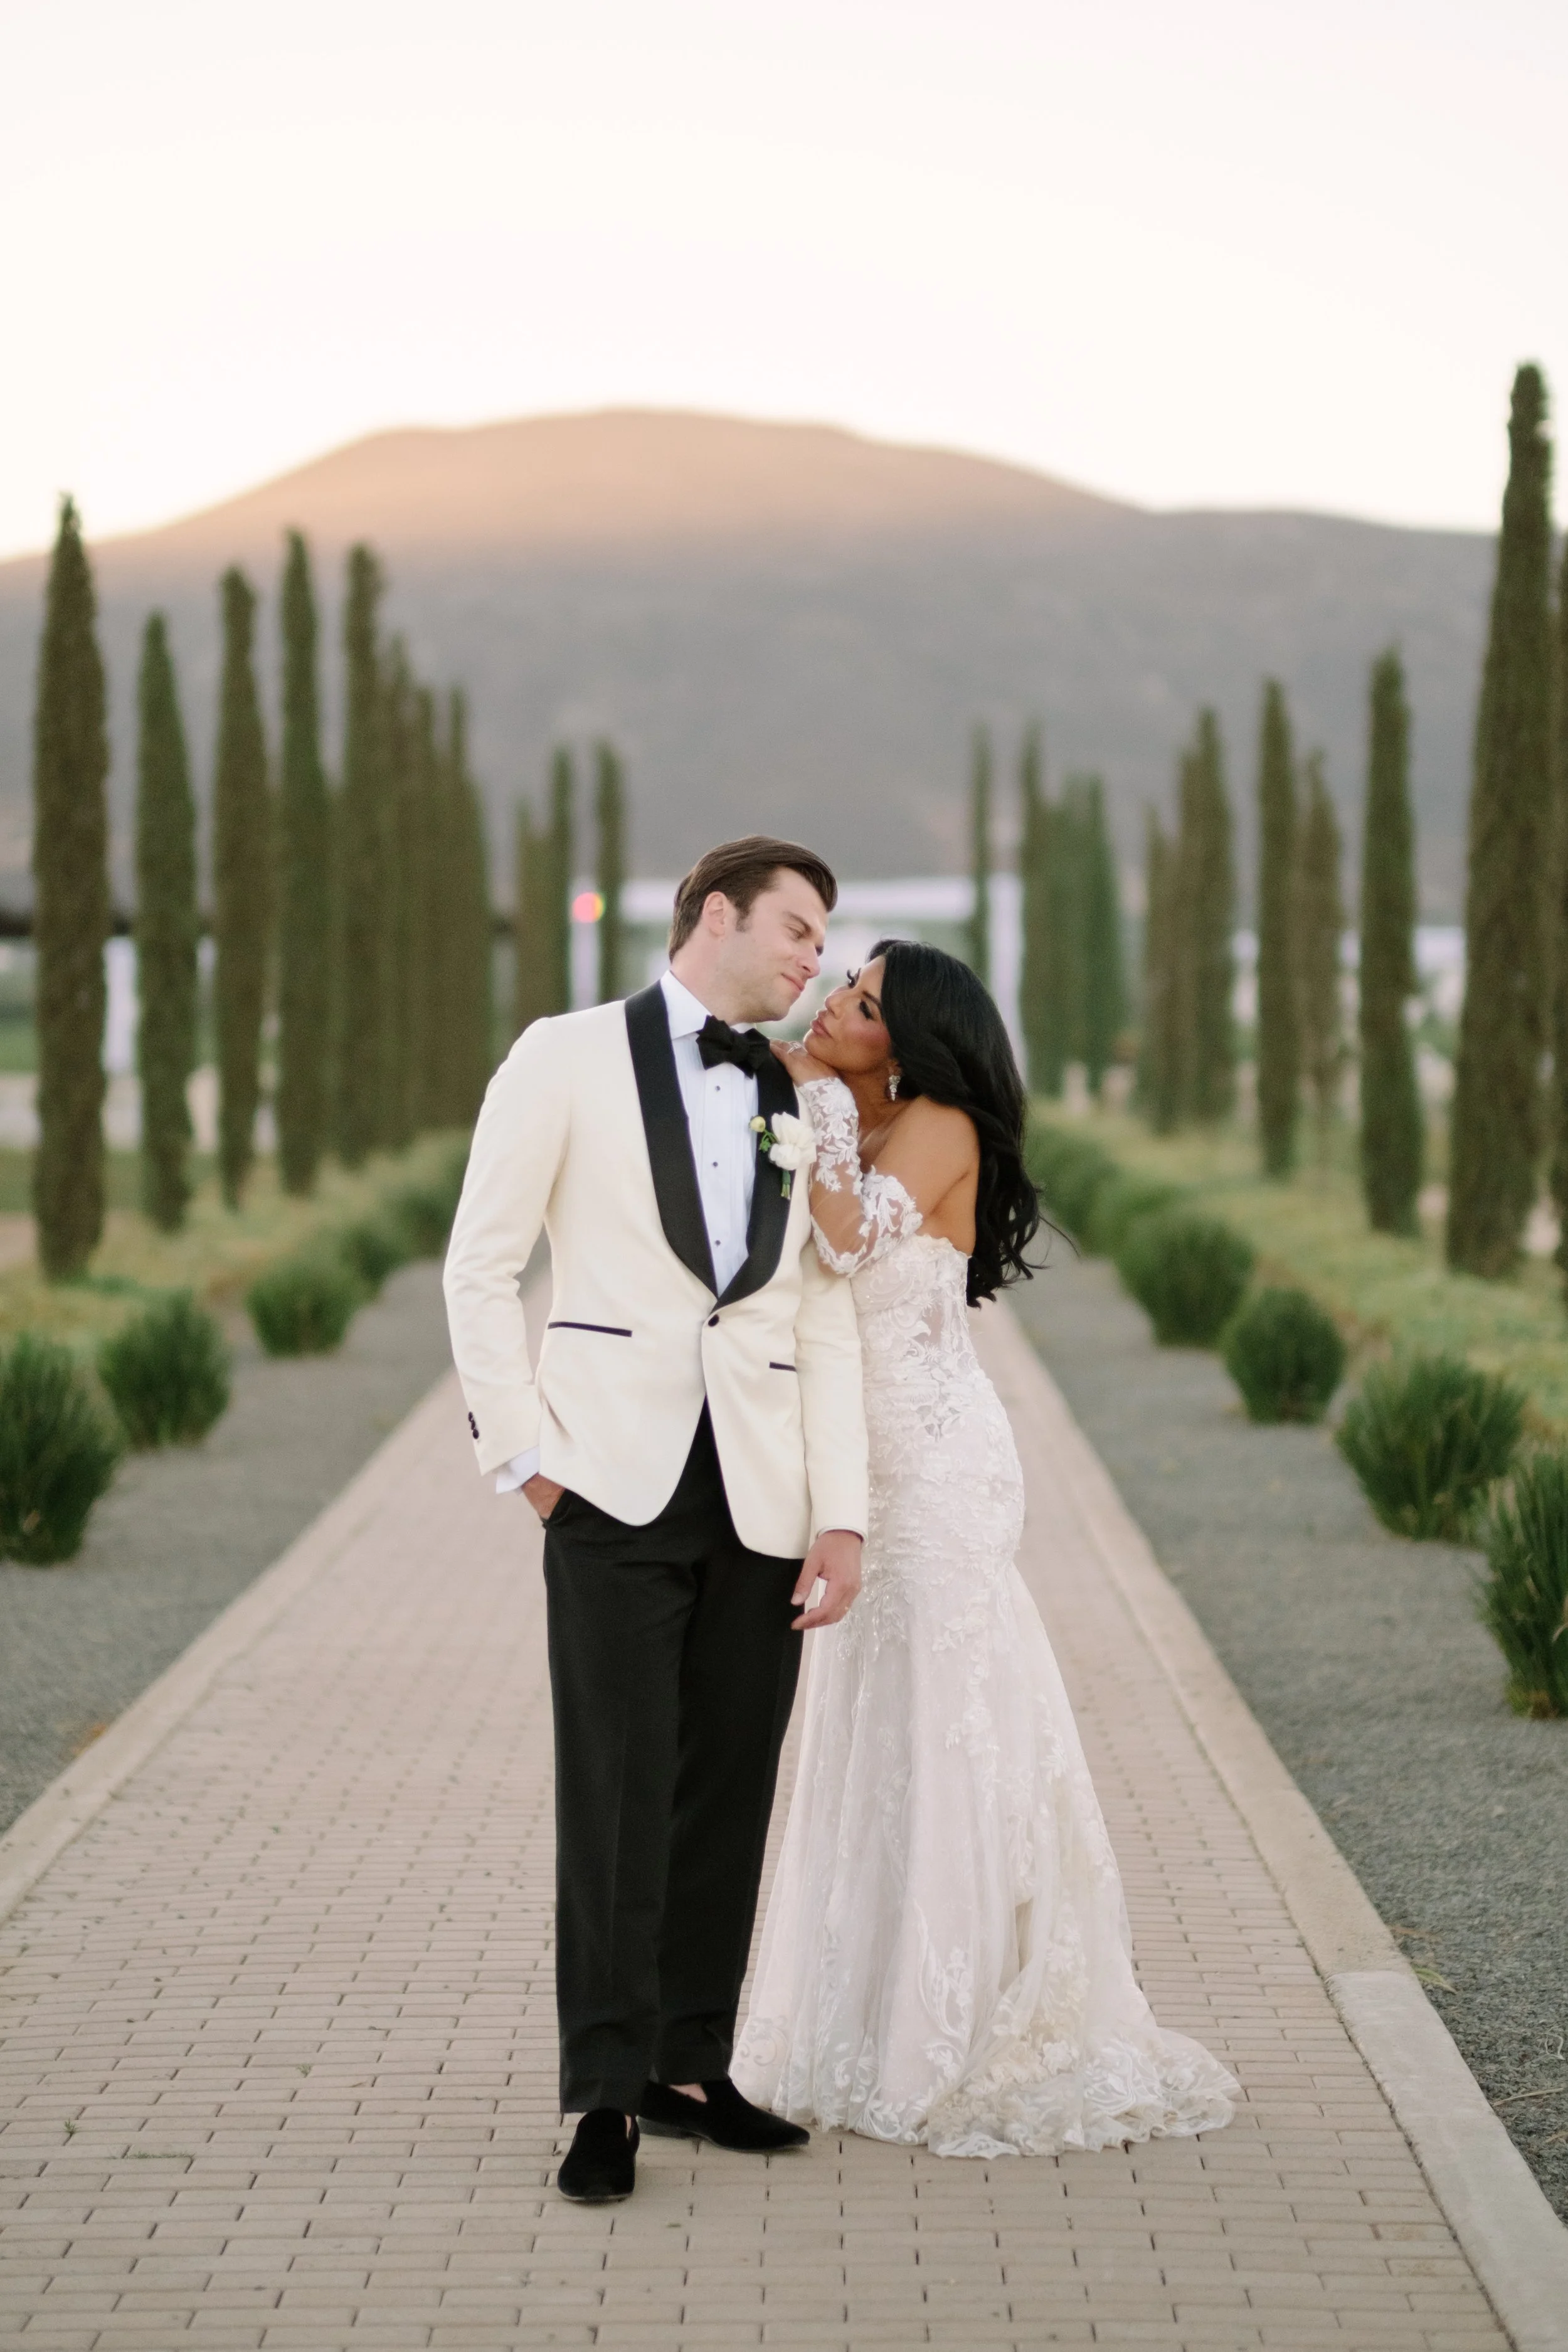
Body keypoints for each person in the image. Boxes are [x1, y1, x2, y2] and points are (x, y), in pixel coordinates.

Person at [733, 940, 1237, 2156]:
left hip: (942, 1468)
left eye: (856, 1006)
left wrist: (801, 1094)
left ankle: (957, 2029)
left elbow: (847, 1243)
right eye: (836, 993)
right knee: (871, 1726)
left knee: (950, 1720)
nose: (828, 1008)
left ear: (905, 1041)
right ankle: (858, 2017)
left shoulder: (941, 1124)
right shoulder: (851, 1107)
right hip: (862, 1471)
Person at [443, 836, 869, 2205]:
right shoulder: (561, 1054)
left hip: (761, 1495)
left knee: (726, 1789)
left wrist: (841, 1517)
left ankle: (692, 2065)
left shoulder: (790, 1092)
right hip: (609, 1487)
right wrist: (523, 1456)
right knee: (616, 1794)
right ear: (711, 917)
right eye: (797, 930)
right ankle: (604, 2096)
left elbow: (817, 1313)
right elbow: (481, 1262)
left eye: (823, 939)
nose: (813, 958)